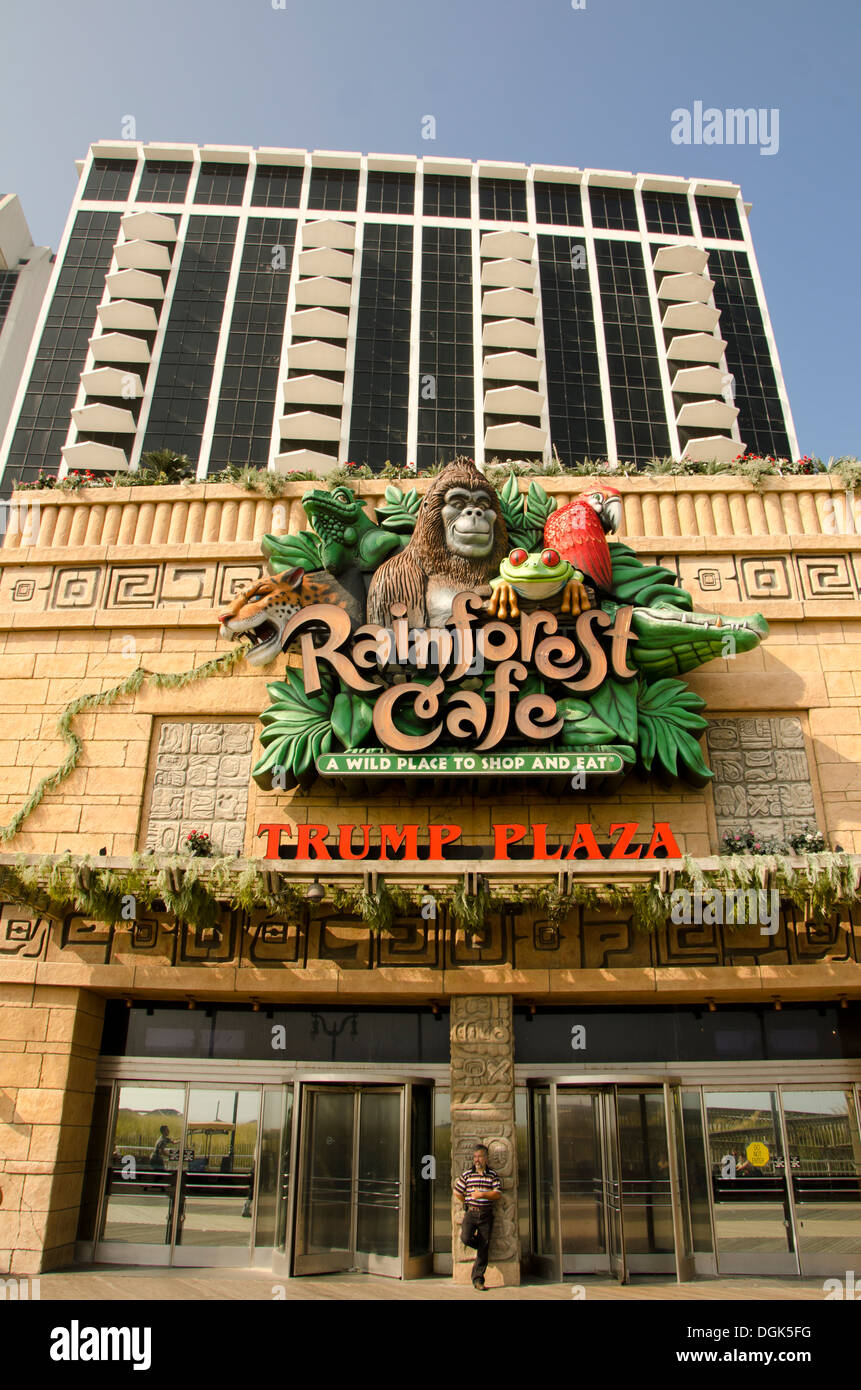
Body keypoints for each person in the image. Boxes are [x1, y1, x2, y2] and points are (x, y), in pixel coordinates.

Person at [454, 1144, 502, 1290]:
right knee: (465, 1237)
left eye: (480, 1156)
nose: (477, 1160)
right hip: (471, 1213)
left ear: (486, 1158)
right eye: (475, 1157)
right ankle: (481, 1246)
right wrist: (467, 1201)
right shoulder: (468, 1174)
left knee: (484, 1247)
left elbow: (497, 1193)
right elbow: (457, 1192)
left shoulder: (492, 1175)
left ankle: (478, 1279)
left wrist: (482, 1194)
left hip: (486, 1213)